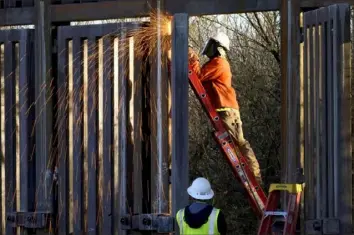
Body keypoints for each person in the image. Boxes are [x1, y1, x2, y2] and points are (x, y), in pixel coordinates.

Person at [188, 32, 262, 185]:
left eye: (212, 45)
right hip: (225, 110)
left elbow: (199, 75)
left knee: (240, 143)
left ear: (218, 48)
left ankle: (255, 178)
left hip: (227, 110)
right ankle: (254, 177)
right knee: (238, 144)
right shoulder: (215, 63)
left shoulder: (219, 63)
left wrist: (192, 57)